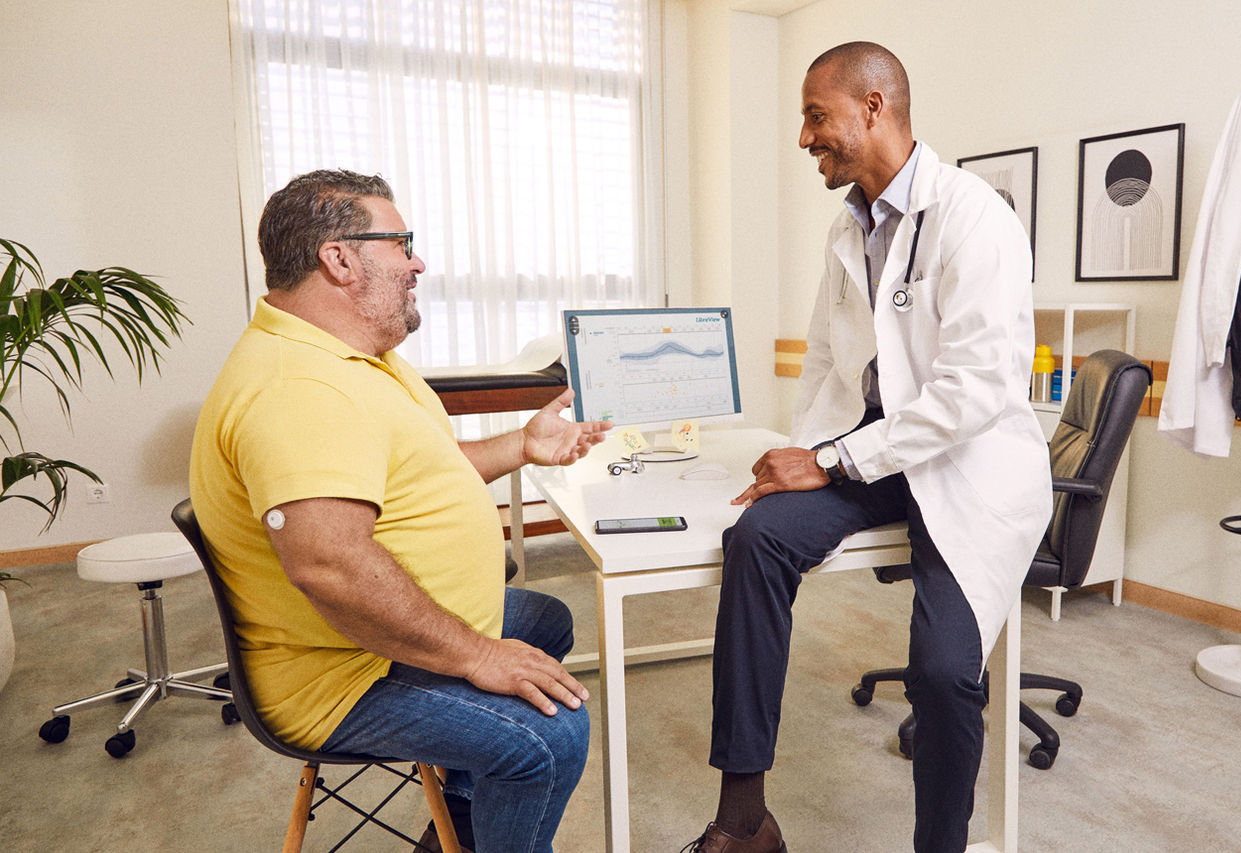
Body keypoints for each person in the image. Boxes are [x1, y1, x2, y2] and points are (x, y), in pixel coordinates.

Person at [681, 43, 1052, 853]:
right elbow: (825, 359)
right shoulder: (847, 229)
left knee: (944, 672)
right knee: (758, 537)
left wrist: (830, 460)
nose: (804, 137)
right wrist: (803, 453)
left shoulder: (973, 217)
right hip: (875, 451)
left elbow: (976, 389)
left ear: (874, 107)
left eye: (817, 116)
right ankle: (744, 820)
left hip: (968, 463)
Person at [189, 169, 610, 853]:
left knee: (544, 620)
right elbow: (331, 566)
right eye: (401, 243)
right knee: (549, 736)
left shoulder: (358, 358)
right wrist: (476, 654)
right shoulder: (299, 387)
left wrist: (523, 444)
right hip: (343, 673)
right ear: (339, 259)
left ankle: (463, 820)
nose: (418, 263)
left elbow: (424, 469)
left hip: (369, 640)